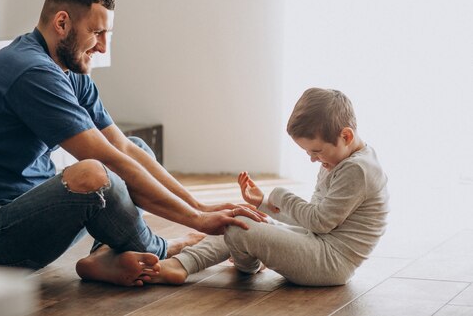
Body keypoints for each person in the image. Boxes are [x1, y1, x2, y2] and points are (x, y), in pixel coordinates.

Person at [0, 0, 264, 286]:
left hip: (23, 213)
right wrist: (196, 222)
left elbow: (125, 150)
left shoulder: (68, 69)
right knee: (93, 175)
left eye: (107, 35)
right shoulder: (31, 71)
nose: (103, 47)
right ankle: (163, 250)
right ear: (62, 23)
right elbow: (107, 162)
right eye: (96, 33)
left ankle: (104, 256)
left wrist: (201, 206)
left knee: (137, 147)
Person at [150, 88, 389, 287]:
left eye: (316, 151)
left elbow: (319, 222)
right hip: (318, 242)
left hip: (331, 261)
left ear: (346, 136)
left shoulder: (357, 170)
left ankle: (230, 262)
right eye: (308, 152)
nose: (313, 159)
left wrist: (279, 195)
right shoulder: (337, 160)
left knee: (239, 230)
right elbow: (311, 222)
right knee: (242, 216)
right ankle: (191, 263)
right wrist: (264, 203)